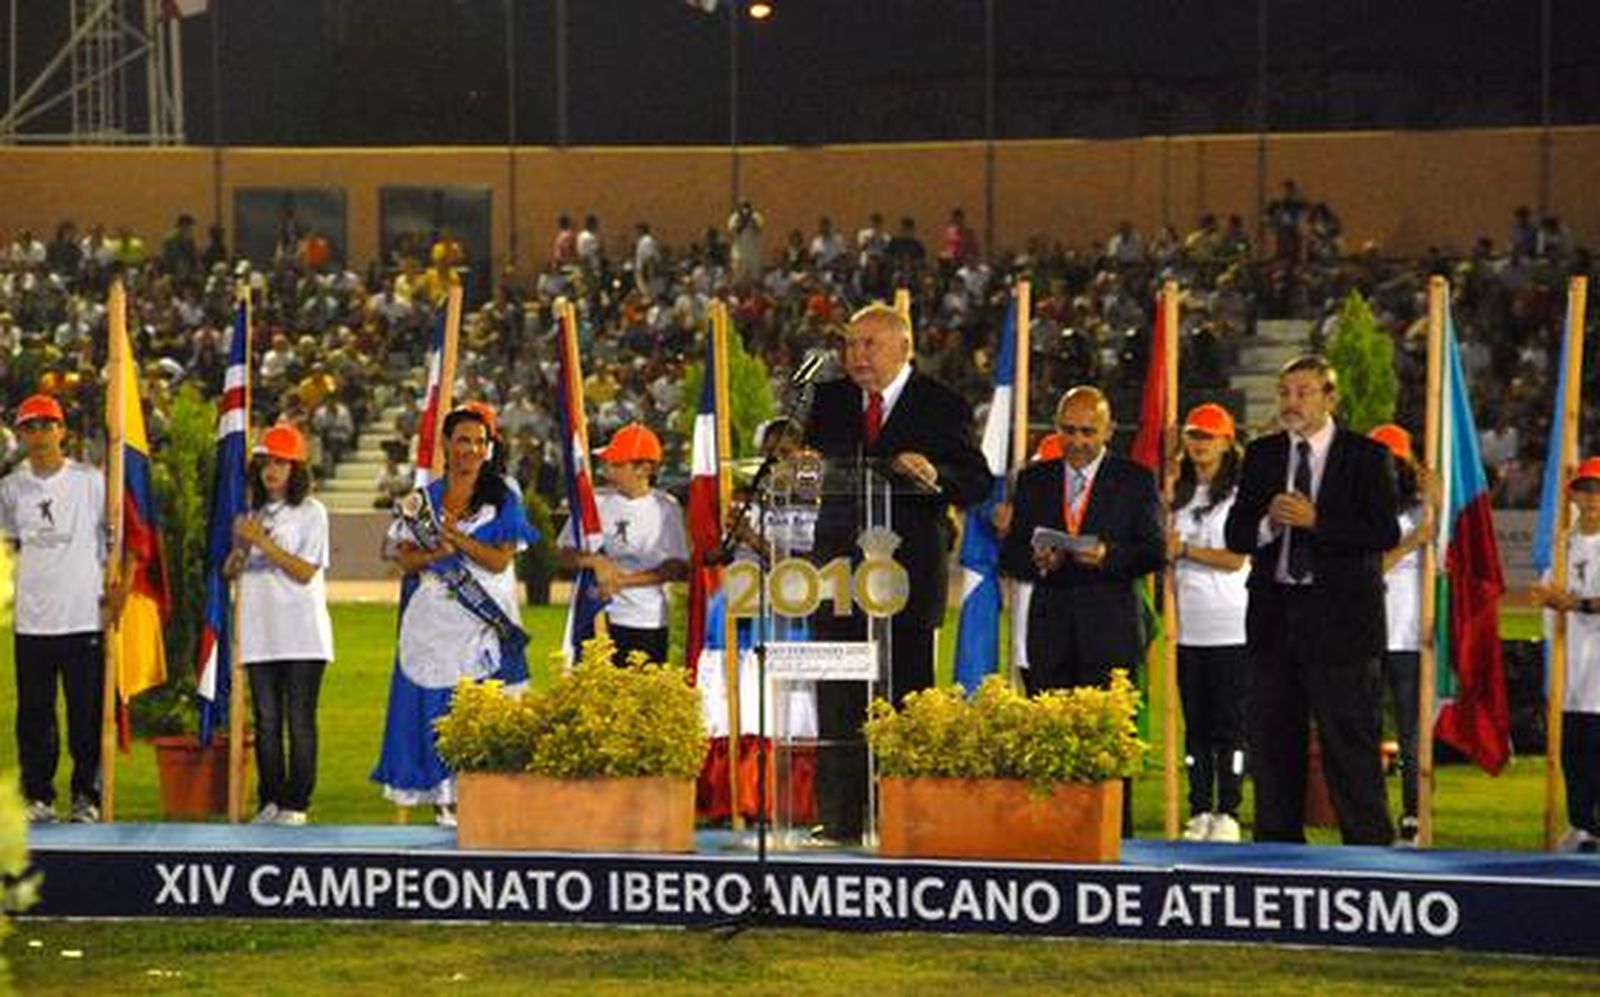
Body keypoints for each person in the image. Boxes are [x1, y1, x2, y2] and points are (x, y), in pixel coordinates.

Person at [803, 302, 991, 843]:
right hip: (838, 574)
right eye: (851, 344)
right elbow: (819, 467)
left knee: (905, 696)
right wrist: (804, 471)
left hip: (906, 580)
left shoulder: (941, 404)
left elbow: (975, 481)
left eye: (870, 344)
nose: (856, 355)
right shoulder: (829, 400)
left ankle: (905, 813)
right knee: (839, 695)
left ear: (904, 348)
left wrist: (935, 473)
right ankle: (840, 818)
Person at [1224, 355, 1400, 845]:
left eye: (1303, 392)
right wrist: (1268, 525)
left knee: (1351, 746)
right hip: (1274, 623)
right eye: (1284, 392)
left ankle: (1368, 856)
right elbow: (1236, 533)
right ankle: (1277, 857)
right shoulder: (1261, 455)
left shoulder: (1366, 456)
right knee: (1274, 746)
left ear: (1330, 397)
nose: (1291, 402)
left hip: (1343, 628)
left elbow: (1382, 530)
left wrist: (1317, 522)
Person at [372, 404, 538, 825]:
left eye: (480, 442)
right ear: (446, 443)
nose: (471, 449)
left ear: (489, 447)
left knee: (484, 709)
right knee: (436, 709)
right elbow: (403, 558)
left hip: (483, 620)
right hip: (432, 622)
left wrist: (452, 538)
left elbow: (499, 561)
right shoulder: (422, 499)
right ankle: (443, 799)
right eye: (463, 440)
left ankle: (483, 797)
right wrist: (433, 553)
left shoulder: (504, 494)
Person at [1000, 385, 1164, 695]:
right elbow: (1010, 556)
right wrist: (1038, 561)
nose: (1077, 441)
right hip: (1050, 639)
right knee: (1049, 739)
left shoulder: (1135, 480)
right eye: (1069, 430)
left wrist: (1107, 555)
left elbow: (1154, 552)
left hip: (1111, 638)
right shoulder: (1034, 480)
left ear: (1109, 431)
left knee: (1107, 740)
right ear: (1056, 426)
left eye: (1088, 432)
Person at [0, 395, 110, 824]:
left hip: (82, 614)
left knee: (86, 715)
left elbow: (119, 536)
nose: (41, 434)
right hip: (32, 619)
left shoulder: (90, 481)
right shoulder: (10, 489)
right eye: (31, 427)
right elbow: (8, 544)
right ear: (21, 435)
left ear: (63, 430)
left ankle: (87, 795)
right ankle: (38, 796)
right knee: (34, 717)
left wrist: (117, 589)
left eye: (48, 425)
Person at [225, 425, 333, 826]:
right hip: (260, 631)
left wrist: (264, 544)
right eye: (266, 462)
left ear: (296, 467)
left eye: (280, 462)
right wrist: (240, 552)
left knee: (298, 719)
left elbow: (306, 571)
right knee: (267, 721)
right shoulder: (251, 513)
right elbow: (232, 568)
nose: (271, 470)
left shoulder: (312, 512)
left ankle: (297, 802)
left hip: (302, 633)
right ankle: (269, 799)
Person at [1166, 403, 1250, 843]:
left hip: (1231, 626)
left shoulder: (1238, 496)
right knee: (1195, 725)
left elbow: (1236, 559)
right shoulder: (1176, 493)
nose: (1199, 444)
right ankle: (1199, 807)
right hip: (1188, 629)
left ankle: (1230, 809)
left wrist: (1185, 552)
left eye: (1208, 436)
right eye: (1194, 435)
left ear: (1226, 442)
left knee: (1229, 726)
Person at [558, 422, 688, 666]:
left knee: (642, 698)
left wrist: (622, 581)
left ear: (645, 468)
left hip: (646, 622)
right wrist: (594, 561)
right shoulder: (596, 502)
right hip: (596, 615)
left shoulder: (666, 508)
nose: (608, 472)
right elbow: (563, 553)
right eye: (608, 464)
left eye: (617, 465)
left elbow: (678, 568)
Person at [1530, 457, 1600, 853]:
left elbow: (1570, 600)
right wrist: (1547, 597)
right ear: (1572, 494)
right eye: (1585, 489)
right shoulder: (1564, 543)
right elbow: (1547, 592)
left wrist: (1571, 604)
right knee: (1572, 749)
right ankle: (1581, 825)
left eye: (1598, 490)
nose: (1591, 498)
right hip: (1570, 665)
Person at [1371, 424, 1434, 846]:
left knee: (1412, 733)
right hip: (1367, 634)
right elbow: (1368, 568)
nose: (1389, 468)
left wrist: (1438, 499)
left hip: (1411, 637)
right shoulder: (1362, 510)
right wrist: (1412, 542)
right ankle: (1368, 814)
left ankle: (1414, 813)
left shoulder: (1419, 510)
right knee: (1364, 729)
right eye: (1382, 459)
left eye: (1395, 459)